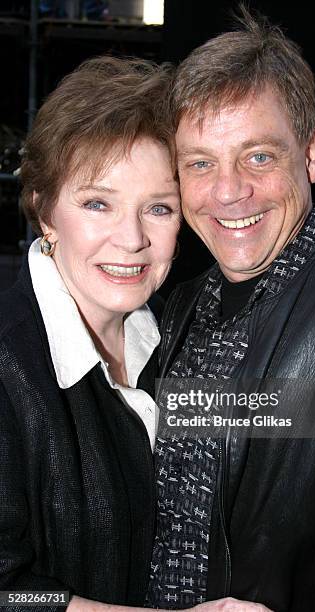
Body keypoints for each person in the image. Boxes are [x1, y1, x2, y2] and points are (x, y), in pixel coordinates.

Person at [147, 10, 315, 612]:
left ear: (311, 154)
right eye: (201, 163)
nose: (229, 191)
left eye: (259, 156)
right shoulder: (178, 307)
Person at [0, 56, 183, 611]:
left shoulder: (177, 338)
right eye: (97, 203)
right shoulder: (8, 365)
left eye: (158, 207)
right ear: (44, 210)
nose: (131, 239)